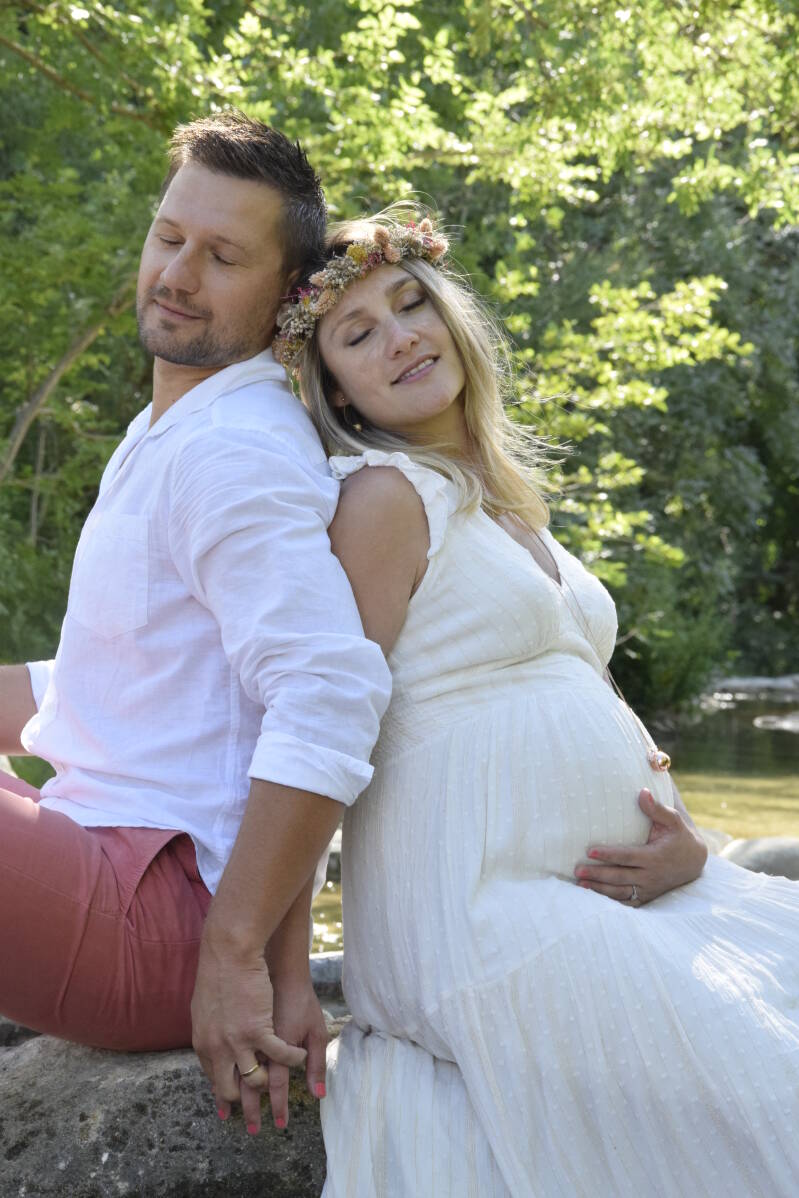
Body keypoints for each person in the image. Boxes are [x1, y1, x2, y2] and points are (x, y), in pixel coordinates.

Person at [273, 209, 799, 1196]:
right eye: (358, 333)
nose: (401, 337)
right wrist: (284, 973)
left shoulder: (509, 505)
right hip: (472, 912)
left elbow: (579, 696)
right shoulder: (382, 500)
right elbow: (316, 736)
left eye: (411, 303)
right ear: (334, 386)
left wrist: (688, 842)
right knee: (767, 1077)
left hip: (612, 894)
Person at [0, 112, 392, 1136]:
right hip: (102, 855)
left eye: (222, 256)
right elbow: (134, 670)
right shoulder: (173, 426)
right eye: (169, 236)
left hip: (160, 915)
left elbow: (329, 691)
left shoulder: (237, 450)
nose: (177, 274)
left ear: (286, 293)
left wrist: (237, 954)